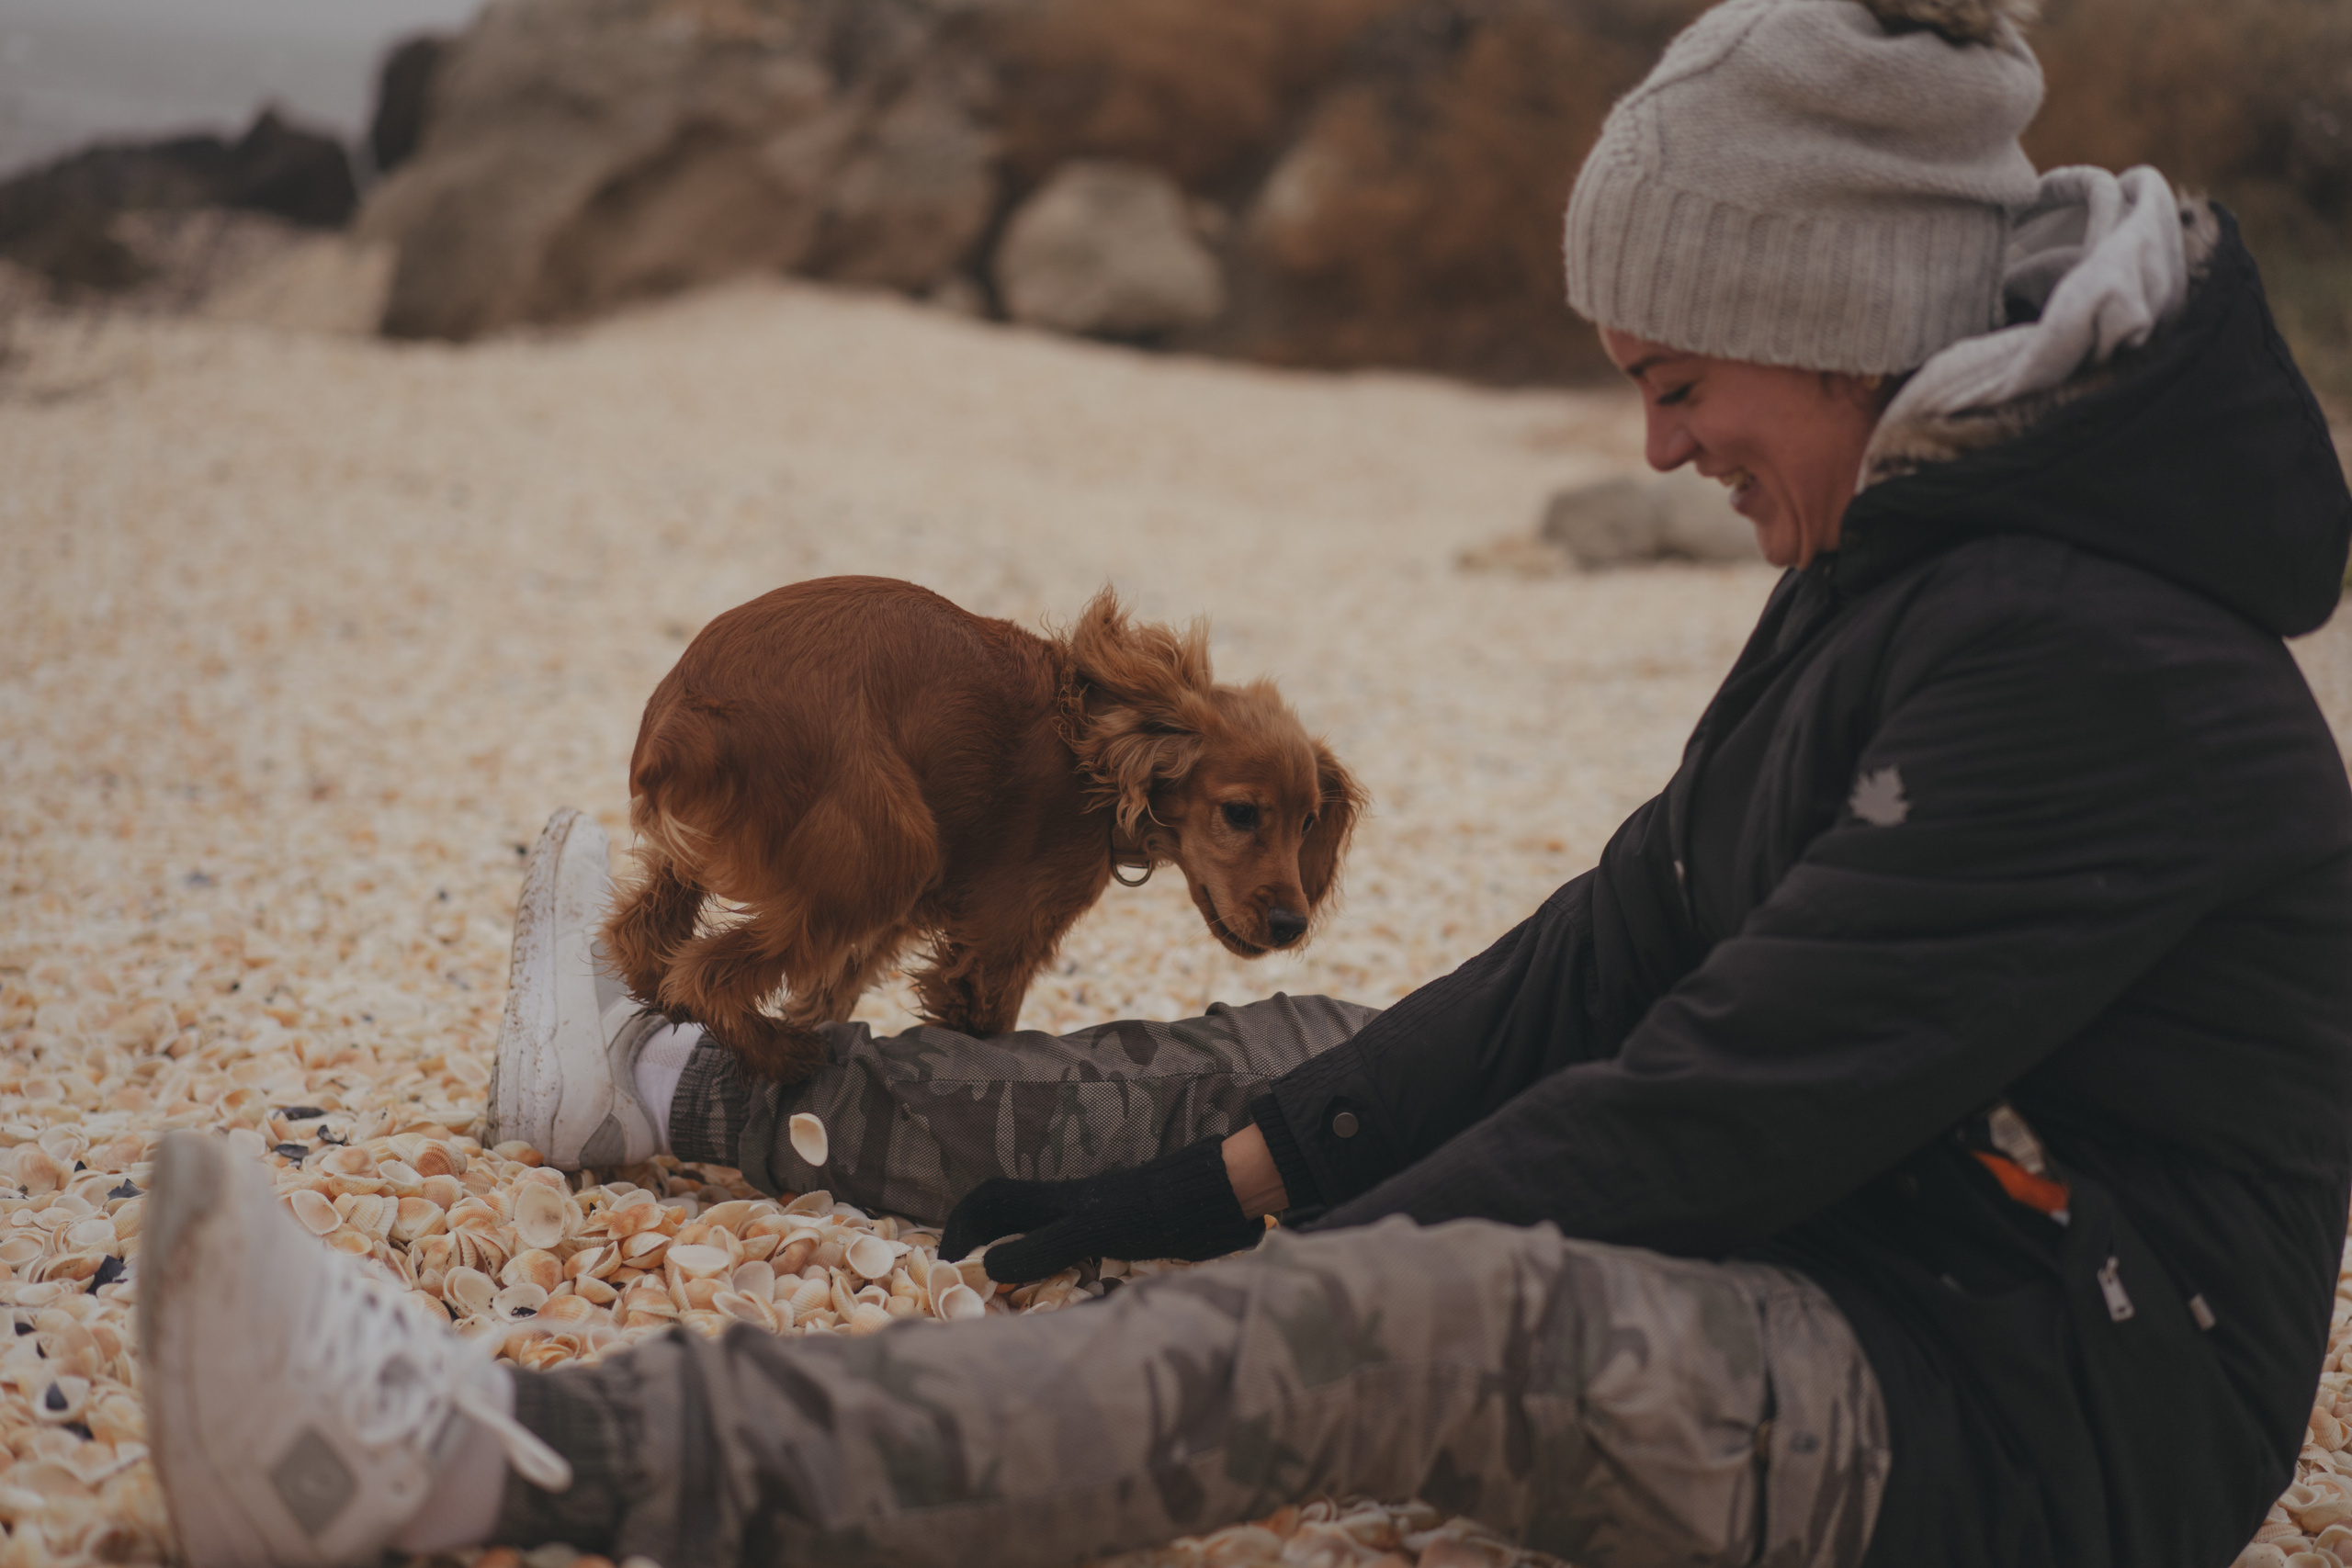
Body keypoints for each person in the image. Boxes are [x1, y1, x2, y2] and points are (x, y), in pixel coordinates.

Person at [135, 0, 2352, 1563]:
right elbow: (1616, 940)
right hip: (1894, 1222)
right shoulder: (1911, 550)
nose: (1653, 445)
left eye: (1677, 379)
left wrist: (1290, 1264)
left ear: (1842, 312)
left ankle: (484, 1452)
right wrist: (1241, 1162)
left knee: (1399, 1315)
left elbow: (1724, 1103)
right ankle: (666, 1090)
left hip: (2016, 1406)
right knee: (1300, 1056)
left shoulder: (2087, 657)